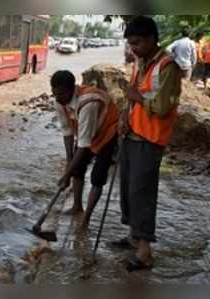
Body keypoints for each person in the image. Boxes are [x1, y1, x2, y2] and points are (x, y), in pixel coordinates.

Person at [116, 16, 182, 271]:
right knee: (128, 191)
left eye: (137, 43)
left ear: (152, 39)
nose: (133, 48)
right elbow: (132, 96)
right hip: (132, 134)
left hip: (150, 138)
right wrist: (124, 115)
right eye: (130, 43)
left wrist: (137, 97)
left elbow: (163, 107)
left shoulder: (168, 66)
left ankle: (145, 253)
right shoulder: (140, 61)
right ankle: (134, 237)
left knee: (142, 193)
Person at [51, 70, 119, 230]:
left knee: (97, 177)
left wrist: (66, 175)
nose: (57, 98)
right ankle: (77, 206)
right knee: (77, 169)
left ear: (71, 90)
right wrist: (69, 165)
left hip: (107, 133)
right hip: (87, 133)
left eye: (61, 94)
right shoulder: (59, 101)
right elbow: (67, 132)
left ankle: (86, 219)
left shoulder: (88, 102)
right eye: (54, 93)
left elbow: (84, 144)